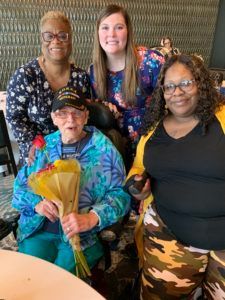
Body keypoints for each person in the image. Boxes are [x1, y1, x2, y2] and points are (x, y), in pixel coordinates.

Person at [128, 54, 225, 299]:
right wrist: (137, 187)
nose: (177, 92)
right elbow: (137, 170)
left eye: (186, 83)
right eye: (169, 86)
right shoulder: (152, 130)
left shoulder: (222, 118)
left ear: (200, 84)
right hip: (169, 236)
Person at [12, 86, 130, 275]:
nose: (70, 120)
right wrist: (37, 204)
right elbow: (19, 189)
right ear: (53, 118)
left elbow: (121, 196)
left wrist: (92, 218)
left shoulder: (104, 150)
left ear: (86, 116)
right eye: (62, 113)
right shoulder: (43, 147)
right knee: (29, 277)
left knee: (59, 282)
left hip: (81, 237)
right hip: (39, 228)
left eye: (76, 113)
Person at [6, 11, 90, 165]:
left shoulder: (81, 77)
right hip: (39, 154)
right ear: (41, 39)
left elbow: (86, 114)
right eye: (49, 36)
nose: (56, 41)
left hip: (76, 152)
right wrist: (33, 143)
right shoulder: (25, 76)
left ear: (70, 40)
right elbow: (15, 117)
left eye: (62, 36)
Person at [89, 4, 164, 168]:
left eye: (119, 27)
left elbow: (171, 101)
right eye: (105, 28)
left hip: (153, 145)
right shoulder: (94, 72)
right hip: (115, 151)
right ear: (97, 33)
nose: (111, 34)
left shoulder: (150, 61)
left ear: (128, 31)